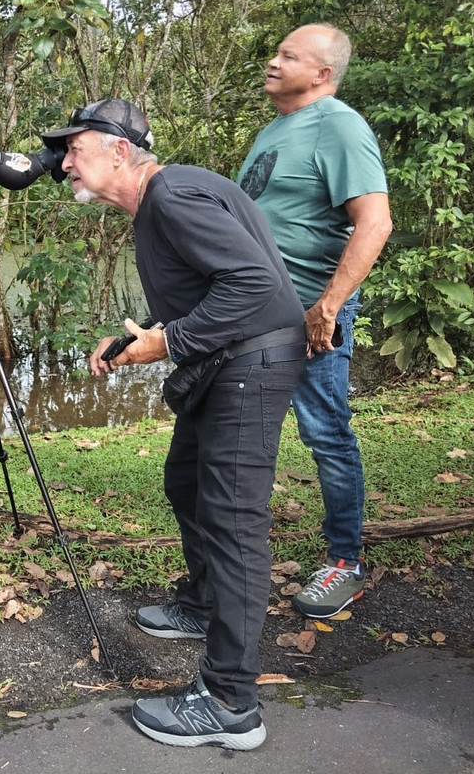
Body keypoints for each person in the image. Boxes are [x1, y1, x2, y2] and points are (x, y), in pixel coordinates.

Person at [42, 99, 306, 750]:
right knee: (186, 482)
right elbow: (212, 286)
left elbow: (255, 289)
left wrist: (169, 343)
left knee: (233, 523)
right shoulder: (173, 194)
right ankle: (203, 603)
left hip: (252, 363)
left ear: (120, 151)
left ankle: (229, 704)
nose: (64, 162)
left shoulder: (172, 198)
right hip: (233, 360)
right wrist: (143, 334)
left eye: (75, 148)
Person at [238, 24, 393, 619]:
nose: (272, 61)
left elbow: (374, 222)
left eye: (288, 56)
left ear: (322, 73)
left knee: (325, 433)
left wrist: (326, 307)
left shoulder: (340, 126)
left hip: (309, 311)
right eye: (275, 51)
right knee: (246, 434)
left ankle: (346, 563)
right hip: (259, 310)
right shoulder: (277, 129)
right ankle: (235, 567)